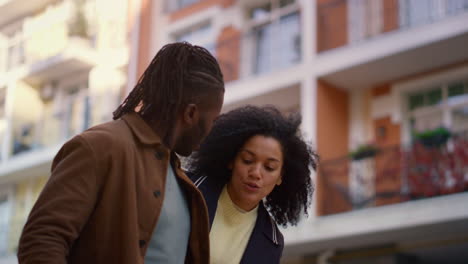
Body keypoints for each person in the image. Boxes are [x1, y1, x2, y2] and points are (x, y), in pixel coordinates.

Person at [18, 42, 225, 264]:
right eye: (213, 121)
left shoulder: (178, 177)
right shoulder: (100, 147)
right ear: (191, 113)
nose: (211, 131)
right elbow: (41, 240)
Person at [188, 105, 318, 264]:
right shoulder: (188, 190)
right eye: (247, 160)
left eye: (269, 167)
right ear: (231, 160)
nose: (256, 173)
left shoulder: (272, 242)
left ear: (280, 177)